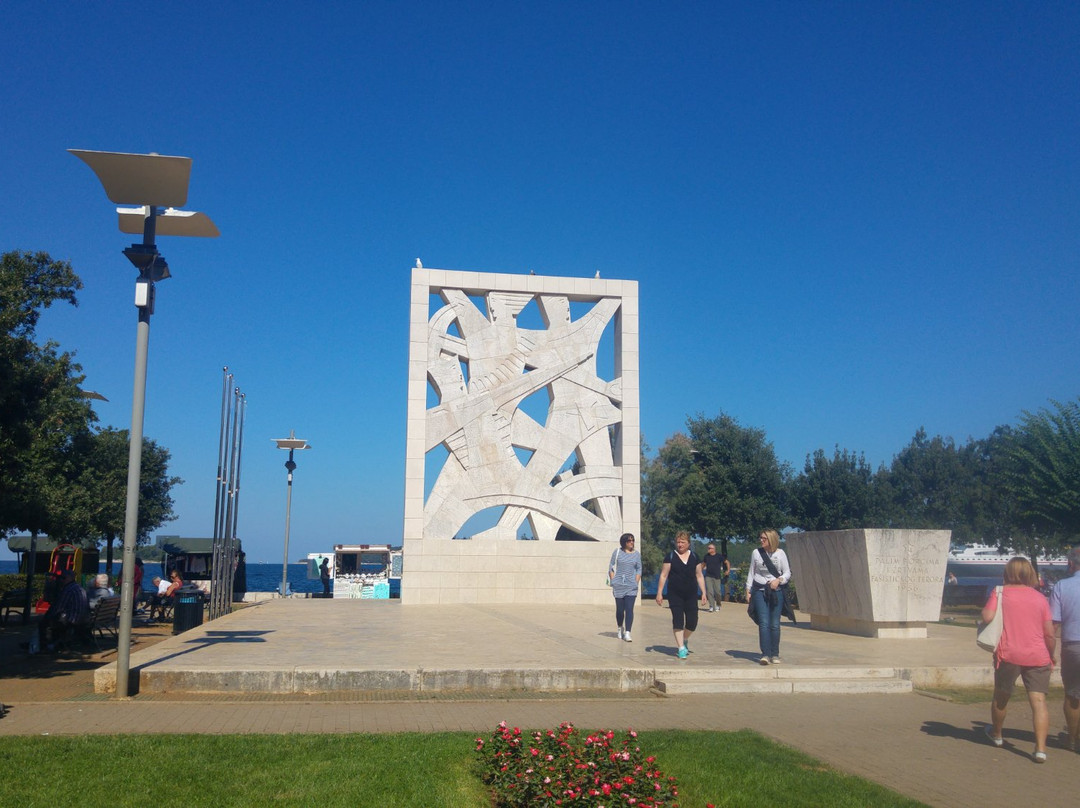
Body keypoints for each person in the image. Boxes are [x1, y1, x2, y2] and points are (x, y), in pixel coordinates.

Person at [982, 556, 1056, 763]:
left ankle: (997, 734)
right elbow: (1049, 633)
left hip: (1008, 653)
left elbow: (987, 617)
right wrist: (1051, 655)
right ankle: (1040, 749)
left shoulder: (1000, 593)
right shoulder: (1040, 598)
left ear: (1007, 572)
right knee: (1039, 701)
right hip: (1038, 655)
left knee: (1001, 696)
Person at [655, 531, 707, 659]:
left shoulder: (695, 557)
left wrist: (704, 592)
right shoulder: (670, 556)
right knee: (678, 620)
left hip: (691, 594)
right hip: (675, 594)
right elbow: (663, 575)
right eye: (678, 542)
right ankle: (681, 648)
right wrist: (659, 592)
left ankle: (684, 639)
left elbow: (699, 575)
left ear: (688, 543)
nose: (680, 544)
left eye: (683, 542)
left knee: (692, 622)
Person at [1050, 546, 1080, 753]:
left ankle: (1072, 739)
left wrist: (1049, 651)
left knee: (1072, 694)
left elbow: (1053, 624)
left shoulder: (1061, 586)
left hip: (1073, 646)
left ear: (1071, 564)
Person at [746, 529, 791, 665]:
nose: (761, 540)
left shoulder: (780, 553)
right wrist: (748, 589)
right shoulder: (756, 553)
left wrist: (780, 580)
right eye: (760, 538)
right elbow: (752, 572)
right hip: (760, 590)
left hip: (776, 591)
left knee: (775, 624)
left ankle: (775, 653)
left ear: (771, 539)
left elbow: (787, 572)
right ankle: (765, 654)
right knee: (764, 623)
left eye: (764, 538)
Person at [37, 569, 89, 652]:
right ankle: (55, 643)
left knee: (45, 623)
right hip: (83, 618)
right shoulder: (79, 588)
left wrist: (48, 616)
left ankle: (45, 646)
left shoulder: (68, 590)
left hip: (73, 620)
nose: (61, 580)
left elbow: (59, 607)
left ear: (68, 578)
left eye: (62, 578)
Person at [608, 533, 641, 642]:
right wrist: (613, 581)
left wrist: (636, 582)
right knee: (620, 610)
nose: (631, 542)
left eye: (633, 540)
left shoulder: (637, 554)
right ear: (624, 542)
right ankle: (619, 627)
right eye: (629, 541)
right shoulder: (617, 552)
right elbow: (611, 567)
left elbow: (639, 569)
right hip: (619, 585)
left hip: (631, 586)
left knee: (629, 609)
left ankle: (628, 632)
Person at [699, 543, 729, 612]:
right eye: (708, 548)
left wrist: (728, 570)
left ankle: (718, 605)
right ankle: (711, 606)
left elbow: (727, 562)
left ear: (713, 549)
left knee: (718, 592)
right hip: (708, 576)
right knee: (709, 591)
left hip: (717, 576)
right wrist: (699, 572)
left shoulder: (719, 556)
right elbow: (703, 564)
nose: (708, 549)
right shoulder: (706, 556)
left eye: (709, 548)